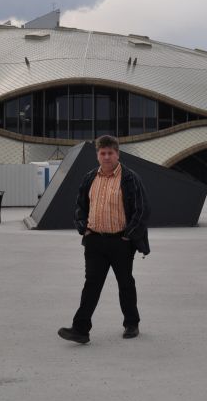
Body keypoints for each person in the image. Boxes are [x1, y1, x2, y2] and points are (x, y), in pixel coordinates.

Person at [58, 135, 151, 344]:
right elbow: (80, 205)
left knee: (125, 283)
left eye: (110, 153)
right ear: (97, 155)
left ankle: (131, 323)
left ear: (117, 154)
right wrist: (83, 229)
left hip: (121, 242)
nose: (107, 156)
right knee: (91, 284)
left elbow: (142, 209)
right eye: (103, 153)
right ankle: (80, 330)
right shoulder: (90, 177)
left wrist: (129, 235)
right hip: (95, 242)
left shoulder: (130, 178)